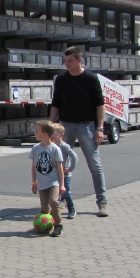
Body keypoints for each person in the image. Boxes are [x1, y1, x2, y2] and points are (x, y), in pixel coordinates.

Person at [49, 46, 109, 217]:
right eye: (65, 61)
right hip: (65, 126)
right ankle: (60, 198)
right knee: (59, 164)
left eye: (70, 61)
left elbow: (100, 104)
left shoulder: (91, 78)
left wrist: (99, 128)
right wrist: (51, 126)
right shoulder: (61, 79)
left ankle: (102, 202)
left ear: (79, 60)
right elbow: (56, 104)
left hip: (86, 126)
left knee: (94, 165)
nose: (66, 64)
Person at [29, 120, 65, 237]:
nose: (35, 132)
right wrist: (34, 183)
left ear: (44, 134)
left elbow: (60, 168)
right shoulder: (35, 148)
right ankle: (45, 224)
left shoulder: (55, 149)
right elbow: (34, 167)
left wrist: (62, 184)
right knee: (45, 209)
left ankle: (58, 225)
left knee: (53, 201)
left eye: (37, 131)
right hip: (41, 183)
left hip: (53, 182)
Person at [51, 123, 79, 219]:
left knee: (66, 192)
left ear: (61, 135)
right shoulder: (51, 146)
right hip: (54, 174)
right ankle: (54, 212)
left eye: (54, 133)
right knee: (55, 193)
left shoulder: (64, 146)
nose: (52, 135)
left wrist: (70, 168)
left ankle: (72, 209)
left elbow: (74, 157)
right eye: (51, 133)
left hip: (65, 174)